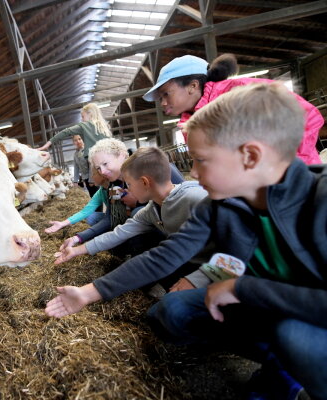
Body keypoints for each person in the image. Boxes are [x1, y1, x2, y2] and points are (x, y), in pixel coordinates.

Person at [45, 83, 327, 399]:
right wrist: (87, 293)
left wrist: (239, 288)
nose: (192, 171)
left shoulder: (320, 200)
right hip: (261, 302)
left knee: (294, 336)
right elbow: (166, 255)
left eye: (201, 160)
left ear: (250, 156)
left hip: (306, 316)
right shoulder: (217, 204)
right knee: (170, 313)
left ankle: (287, 375)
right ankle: (276, 358)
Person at [53, 147, 209, 293]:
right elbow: (118, 232)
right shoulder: (148, 207)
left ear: (144, 182)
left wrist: (195, 279)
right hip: (186, 257)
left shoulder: (197, 199)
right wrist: (76, 249)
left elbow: (231, 246)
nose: (127, 189)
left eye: (129, 184)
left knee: (172, 308)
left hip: (215, 269)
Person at [143, 53, 323, 165]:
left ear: (192, 85)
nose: (163, 103)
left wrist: (290, 168)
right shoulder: (189, 121)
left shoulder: (239, 92)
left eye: (166, 94)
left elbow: (307, 115)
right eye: (160, 98)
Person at [45, 169, 109, 234]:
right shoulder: (101, 192)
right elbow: (85, 212)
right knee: (91, 217)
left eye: (93, 174)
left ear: (102, 175)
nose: (91, 177)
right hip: (110, 217)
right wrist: (62, 223)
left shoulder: (116, 188)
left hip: (116, 219)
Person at [36, 103, 111, 157]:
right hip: (109, 156)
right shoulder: (105, 127)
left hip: (96, 159)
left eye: (83, 116)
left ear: (90, 114)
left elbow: (66, 132)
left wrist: (48, 144)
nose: (82, 119)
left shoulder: (84, 126)